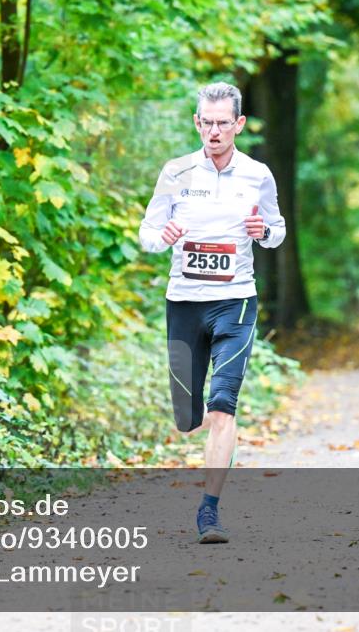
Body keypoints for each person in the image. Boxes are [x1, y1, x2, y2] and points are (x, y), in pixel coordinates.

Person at [138, 82, 286, 544]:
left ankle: (209, 511)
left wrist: (263, 231)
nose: (215, 131)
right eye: (208, 122)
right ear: (197, 122)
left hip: (235, 300)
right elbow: (146, 230)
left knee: (223, 405)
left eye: (224, 122)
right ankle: (195, 421)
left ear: (238, 124)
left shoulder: (258, 175)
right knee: (188, 415)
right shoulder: (176, 172)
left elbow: (277, 233)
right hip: (183, 302)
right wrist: (161, 237)